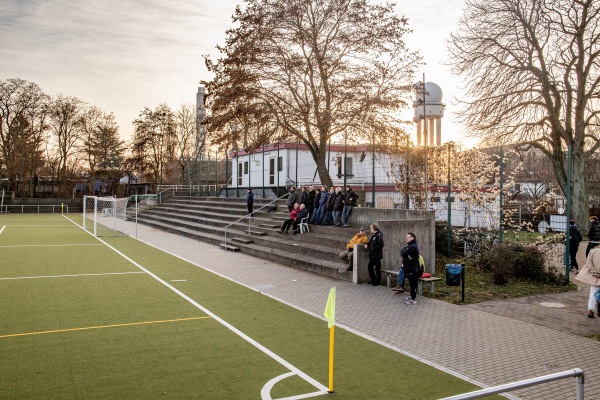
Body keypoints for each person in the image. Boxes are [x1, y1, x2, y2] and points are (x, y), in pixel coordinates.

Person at [574, 246, 600, 318]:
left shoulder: (592, 251)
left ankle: (590, 310)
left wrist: (594, 271)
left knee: (593, 292)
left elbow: (589, 262)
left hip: (595, 275)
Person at [400, 232, 420, 305]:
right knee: (411, 283)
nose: (406, 238)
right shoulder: (410, 246)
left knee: (413, 284)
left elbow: (403, 253)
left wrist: (404, 251)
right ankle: (411, 296)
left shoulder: (412, 246)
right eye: (406, 237)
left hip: (413, 269)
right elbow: (402, 251)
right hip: (409, 268)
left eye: (408, 237)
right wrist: (404, 251)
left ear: (412, 238)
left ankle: (413, 299)